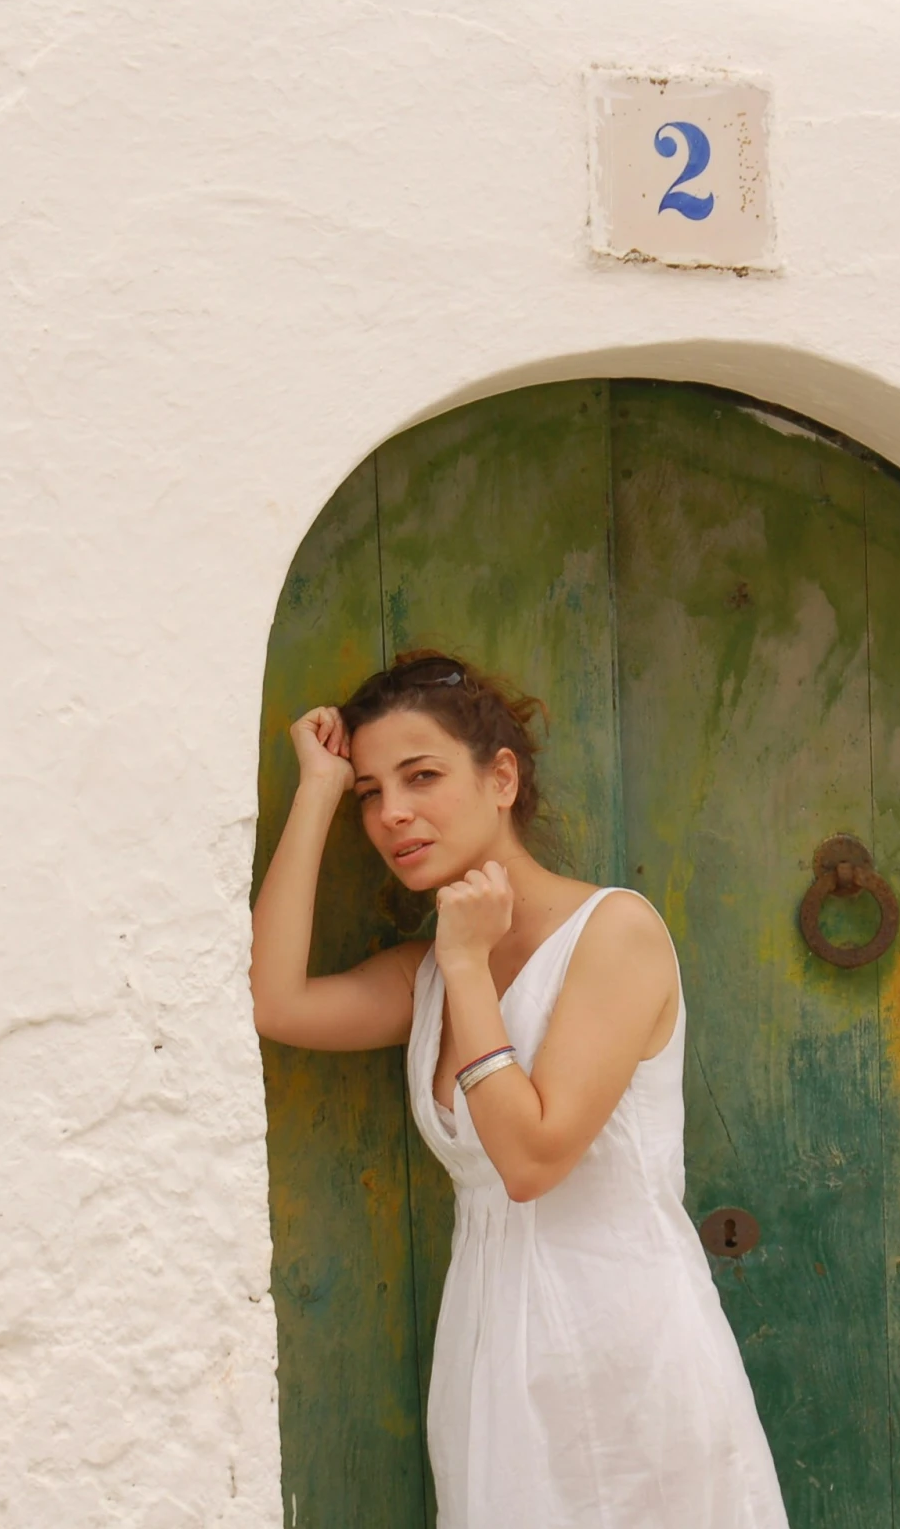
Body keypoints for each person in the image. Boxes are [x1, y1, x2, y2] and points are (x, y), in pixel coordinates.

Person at [250, 650, 790, 1529]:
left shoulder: (612, 932)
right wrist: (317, 788)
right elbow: (276, 1000)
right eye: (370, 794)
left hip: (626, 1351)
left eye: (421, 776)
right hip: (492, 1356)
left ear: (501, 777)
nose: (393, 814)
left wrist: (466, 963)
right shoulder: (424, 976)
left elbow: (532, 1157)